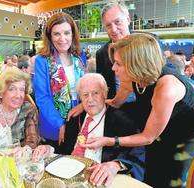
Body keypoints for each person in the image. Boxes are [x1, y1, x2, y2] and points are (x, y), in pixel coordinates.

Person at [82, 33, 194, 188]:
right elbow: (116, 102)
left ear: (136, 64)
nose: (113, 68)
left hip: (191, 131)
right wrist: (87, 104)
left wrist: (109, 140)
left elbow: (148, 137)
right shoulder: (132, 77)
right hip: (165, 124)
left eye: (118, 64)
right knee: (153, 167)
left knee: (174, 178)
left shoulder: (167, 88)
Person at [61, 73, 145, 186]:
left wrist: (116, 165)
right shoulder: (74, 118)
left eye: (95, 93)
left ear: (105, 94)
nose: (90, 100)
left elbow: (138, 156)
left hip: (99, 180)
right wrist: (48, 149)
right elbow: (64, 150)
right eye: (85, 94)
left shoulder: (123, 121)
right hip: (70, 175)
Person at [34, 12, 85, 152]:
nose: (62, 39)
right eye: (56, 34)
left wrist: (83, 106)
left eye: (67, 33)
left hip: (80, 118)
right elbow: (42, 97)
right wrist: (59, 123)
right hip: (54, 121)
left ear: (73, 34)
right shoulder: (42, 61)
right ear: (50, 36)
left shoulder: (80, 57)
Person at [95, 1, 136, 102]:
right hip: (116, 110)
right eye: (108, 25)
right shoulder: (101, 54)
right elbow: (102, 86)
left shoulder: (148, 42)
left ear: (128, 19)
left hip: (146, 109)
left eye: (117, 22)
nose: (113, 29)